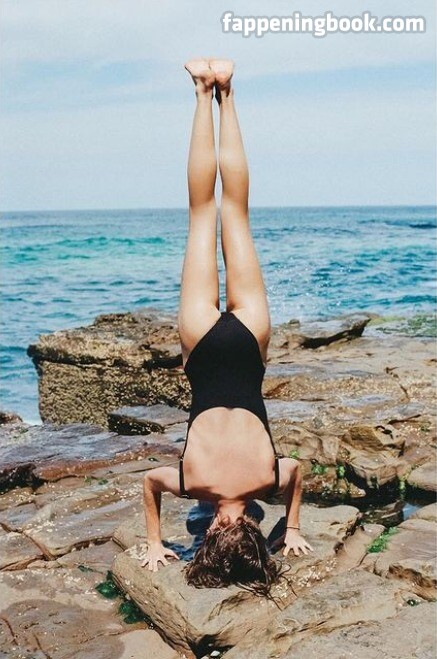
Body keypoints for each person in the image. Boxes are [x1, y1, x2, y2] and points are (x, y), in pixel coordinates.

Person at [141, 58, 314, 596]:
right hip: (201, 344)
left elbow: (297, 471)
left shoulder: (269, 479)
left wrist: (293, 527)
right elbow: (149, 482)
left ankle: (227, 91)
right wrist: (153, 541)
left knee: (235, 210)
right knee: (202, 211)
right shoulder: (194, 483)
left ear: (253, 530)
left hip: (249, 341)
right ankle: (201, 90)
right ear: (216, 528)